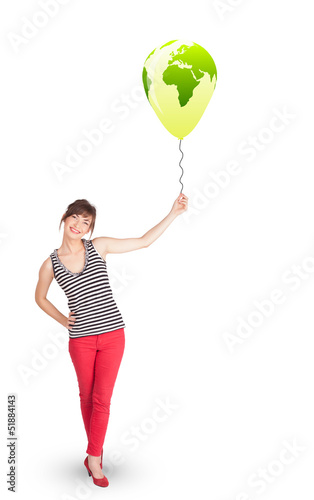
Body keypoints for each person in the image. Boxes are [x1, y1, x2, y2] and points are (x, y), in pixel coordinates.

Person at [34, 193, 188, 487]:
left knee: (102, 399)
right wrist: (62, 319)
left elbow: (143, 241)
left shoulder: (99, 246)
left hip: (113, 335)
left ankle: (93, 457)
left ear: (90, 228)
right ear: (65, 219)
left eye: (86, 221)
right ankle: (96, 451)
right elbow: (39, 297)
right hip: (80, 340)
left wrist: (173, 213)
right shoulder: (50, 263)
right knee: (86, 397)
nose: (79, 224)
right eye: (75, 217)